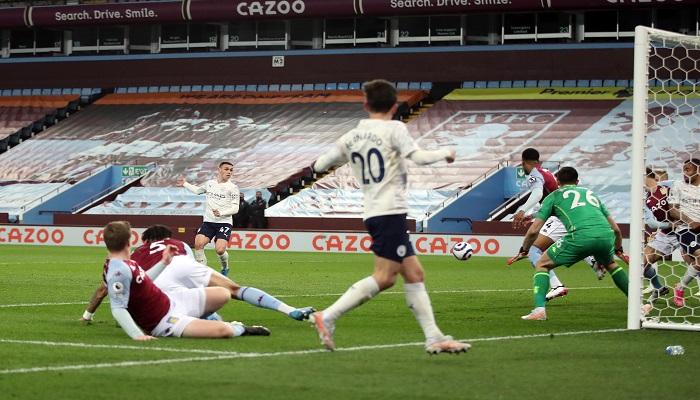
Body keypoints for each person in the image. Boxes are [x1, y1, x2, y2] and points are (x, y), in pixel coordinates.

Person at [309, 79, 469, 354]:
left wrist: (335, 159)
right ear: (395, 106)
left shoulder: (351, 137)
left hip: (375, 212)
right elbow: (419, 157)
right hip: (390, 211)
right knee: (385, 277)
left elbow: (320, 165)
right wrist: (447, 152)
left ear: (365, 104)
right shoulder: (395, 129)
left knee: (415, 273)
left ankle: (434, 337)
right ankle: (328, 315)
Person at [80, 225, 314, 323]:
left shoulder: (134, 254)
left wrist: (87, 315)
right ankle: (289, 310)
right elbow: (192, 274)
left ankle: (213, 321)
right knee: (234, 290)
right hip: (180, 262)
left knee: (182, 306)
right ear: (167, 237)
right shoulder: (178, 243)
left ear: (144, 240)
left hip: (156, 281)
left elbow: (102, 290)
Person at [100, 221, 269, 340]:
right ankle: (240, 328)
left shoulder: (124, 263)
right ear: (128, 242)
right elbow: (118, 308)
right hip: (164, 321)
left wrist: (163, 263)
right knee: (223, 330)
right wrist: (137, 335)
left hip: (171, 302)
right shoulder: (117, 270)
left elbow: (144, 281)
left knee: (223, 294)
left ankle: (203, 319)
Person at [519, 167, 629, 321]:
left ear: (557, 182)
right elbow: (616, 229)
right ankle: (637, 305)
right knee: (611, 265)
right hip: (605, 235)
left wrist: (524, 249)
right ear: (577, 181)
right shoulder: (591, 194)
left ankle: (539, 310)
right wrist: (618, 248)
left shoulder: (554, 196)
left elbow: (533, 231)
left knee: (542, 264)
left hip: (579, 235)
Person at [509, 148, 602, 302]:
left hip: (560, 217)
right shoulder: (546, 172)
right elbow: (550, 201)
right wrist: (532, 215)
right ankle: (594, 262)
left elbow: (538, 194)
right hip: (568, 214)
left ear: (524, 162)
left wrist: (522, 210)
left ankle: (556, 285)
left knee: (534, 251)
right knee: (570, 242)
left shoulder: (534, 174)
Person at [177, 161, 238, 276]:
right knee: (198, 244)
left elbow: (235, 208)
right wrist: (185, 183)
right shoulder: (210, 183)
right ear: (219, 170)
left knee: (220, 250)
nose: (229, 172)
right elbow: (198, 191)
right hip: (209, 221)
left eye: (231, 170)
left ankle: (225, 267)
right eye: (226, 169)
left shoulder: (233, 188)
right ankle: (202, 273)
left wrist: (222, 213)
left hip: (224, 222)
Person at [641, 168, 675, 305]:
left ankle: (681, 288)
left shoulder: (669, 185)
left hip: (687, 229)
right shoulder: (646, 199)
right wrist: (669, 225)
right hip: (667, 234)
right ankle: (659, 288)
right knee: (641, 264)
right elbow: (651, 223)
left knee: (694, 262)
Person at [669, 158, 700, 307]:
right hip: (685, 229)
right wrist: (690, 221)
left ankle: (680, 286)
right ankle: (680, 289)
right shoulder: (678, 185)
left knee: (697, 263)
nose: (684, 172)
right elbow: (672, 210)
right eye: (683, 169)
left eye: (688, 169)